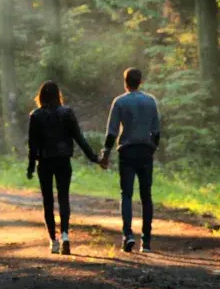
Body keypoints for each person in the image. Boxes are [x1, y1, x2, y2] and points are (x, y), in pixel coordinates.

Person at [26, 80, 99, 255]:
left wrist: (30, 167)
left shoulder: (35, 116)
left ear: (41, 96)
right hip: (63, 160)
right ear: (58, 95)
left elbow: (32, 145)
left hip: (44, 162)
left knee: (48, 201)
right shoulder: (67, 113)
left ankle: (53, 241)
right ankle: (65, 235)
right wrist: (94, 158)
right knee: (63, 198)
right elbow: (79, 138)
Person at [99, 67, 161, 253]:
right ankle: (147, 242)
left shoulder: (119, 102)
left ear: (125, 82)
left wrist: (106, 153)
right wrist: (152, 148)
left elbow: (112, 132)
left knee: (126, 194)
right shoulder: (150, 101)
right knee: (146, 196)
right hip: (145, 151)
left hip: (127, 151)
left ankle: (128, 235)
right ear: (140, 81)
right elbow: (156, 131)